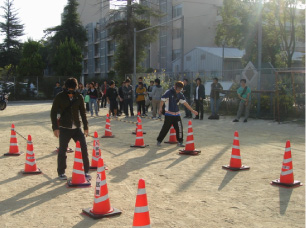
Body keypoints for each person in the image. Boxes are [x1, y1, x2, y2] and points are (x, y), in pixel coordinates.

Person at [50, 77, 90, 180]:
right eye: (70, 88)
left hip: (77, 128)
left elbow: (83, 113)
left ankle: (85, 171)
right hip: (64, 127)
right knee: (62, 150)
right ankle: (61, 172)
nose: (71, 91)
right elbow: (53, 112)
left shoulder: (79, 97)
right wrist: (55, 128)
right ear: (66, 87)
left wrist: (86, 127)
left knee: (84, 149)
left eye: (73, 88)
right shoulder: (60, 97)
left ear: (76, 87)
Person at [157, 81, 198, 147]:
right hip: (169, 114)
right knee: (165, 128)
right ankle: (159, 140)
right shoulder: (168, 92)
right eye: (178, 89)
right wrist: (160, 108)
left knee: (179, 128)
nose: (179, 91)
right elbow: (162, 100)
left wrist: (192, 110)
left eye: (181, 89)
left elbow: (185, 103)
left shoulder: (180, 94)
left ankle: (180, 141)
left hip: (177, 114)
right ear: (175, 87)